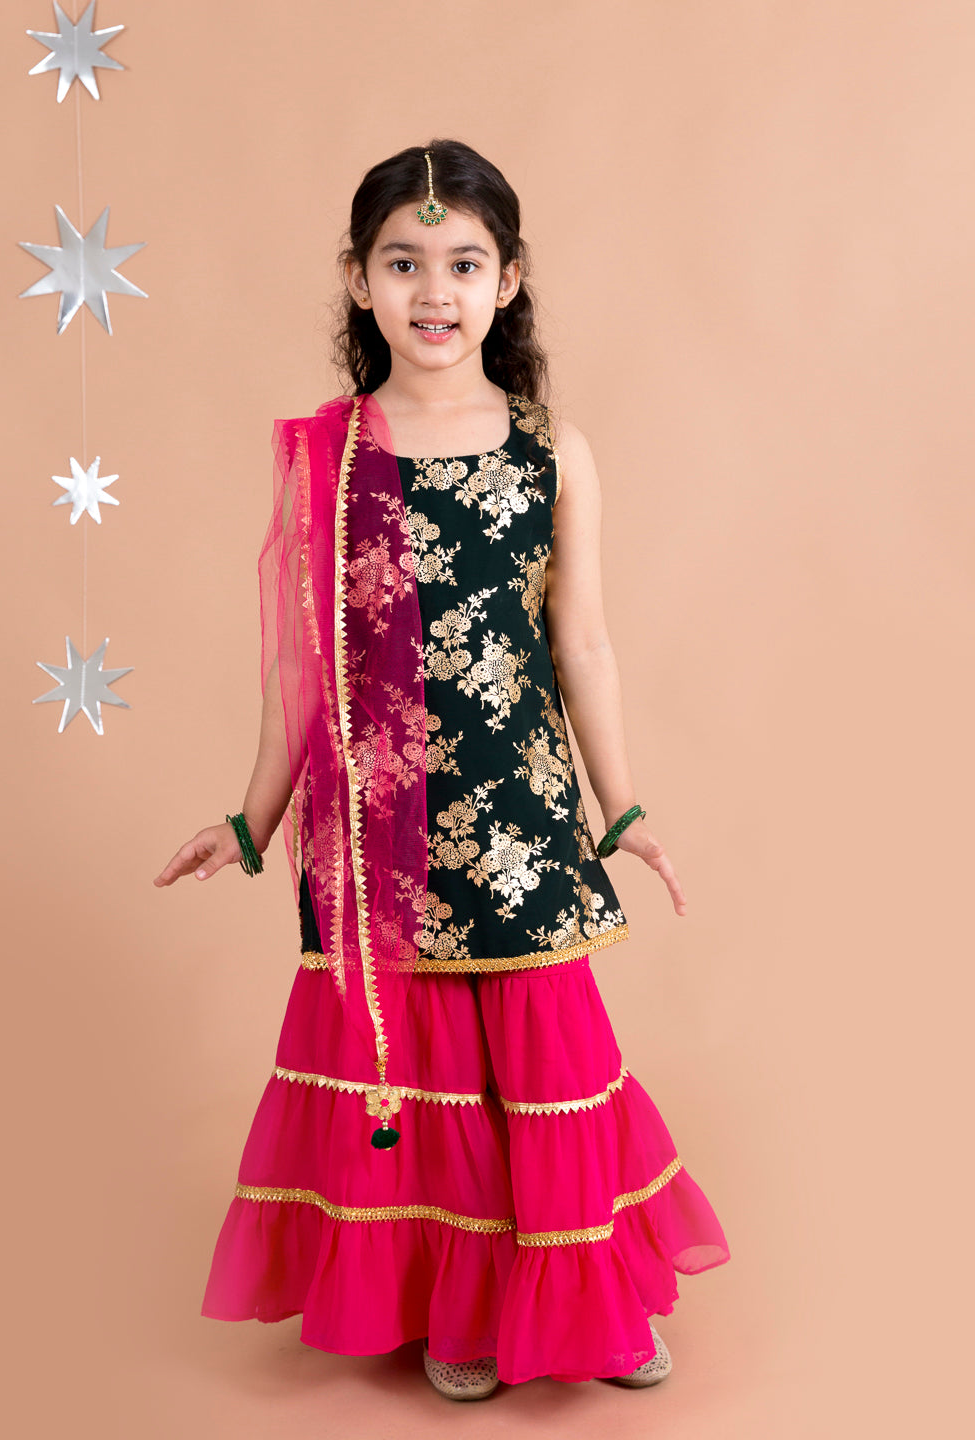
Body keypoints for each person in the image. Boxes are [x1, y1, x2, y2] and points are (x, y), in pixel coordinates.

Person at [153, 138, 730, 1401]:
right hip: (377, 829)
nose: (434, 291)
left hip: (518, 817)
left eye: (464, 263)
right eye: (403, 262)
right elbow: (302, 667)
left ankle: (591, 1306)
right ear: (358, 280)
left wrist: (621, 807)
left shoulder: (552, 450)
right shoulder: (325, 456)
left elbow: (581, 642)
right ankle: (457, 1308)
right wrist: (250, 823)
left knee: (547, 1064)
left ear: (507, 280)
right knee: (419, 1078)